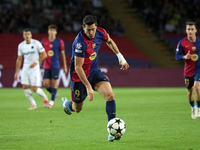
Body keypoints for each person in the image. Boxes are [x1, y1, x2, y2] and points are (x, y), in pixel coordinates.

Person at [61, 15, 129, 141]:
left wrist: (121, 57)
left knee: (110, 95)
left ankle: (112, 132)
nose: (91, 33)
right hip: (79, 78)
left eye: (93, 29)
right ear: (83, 28)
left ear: (96, 27)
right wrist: (88, 87)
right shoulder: (80, 43)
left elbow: (109, 41)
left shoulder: (100, 33)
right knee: (77, 109)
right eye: (88, 30)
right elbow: (78, 67)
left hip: (94, 71)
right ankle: (66, 104)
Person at [14, 29, 48, 110]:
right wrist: (16, 72)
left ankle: (44, 96)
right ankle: (34, 104)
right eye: (25, 34)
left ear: (31, 35)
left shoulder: (36, 43)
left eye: (28, 34)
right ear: (23, 36)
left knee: (34, 88)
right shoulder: (21, 45)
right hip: (25, 68)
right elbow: (19, 59)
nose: (27, 36)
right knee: (25, 86)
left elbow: (44, 55)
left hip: (35, 68)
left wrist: (36, 62)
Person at [175, 21, 200, 119]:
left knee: (197, 87)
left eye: (192, 29)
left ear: (196, 30)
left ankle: (198, 108)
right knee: (190, 91)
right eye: (188, 29)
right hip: (188, 71)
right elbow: (177, 56)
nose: (190, 31)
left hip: (198, 69)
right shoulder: (182, 42)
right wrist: (184, 56)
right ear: (186, 30)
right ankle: (193, 107)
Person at [42, 24, 68, 108]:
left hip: (55, 65)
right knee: (45, 84)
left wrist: (64, 66)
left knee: (54, 83)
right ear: (48, 31)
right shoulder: (44, 41)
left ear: (56, 32)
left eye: (53, 30)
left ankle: (52, 101)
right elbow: (41, 54)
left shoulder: (60, 41)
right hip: (46, 65)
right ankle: (54, 94)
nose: (52, 32)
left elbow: (63, 54)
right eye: (50, 30)